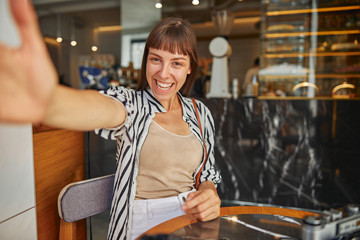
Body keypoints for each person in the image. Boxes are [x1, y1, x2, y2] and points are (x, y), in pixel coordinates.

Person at [0, 1, 221, 240]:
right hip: (139, 225)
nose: (164, 73)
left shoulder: (200, 113)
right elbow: (99, 108)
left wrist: (209, 192)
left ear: (190, 68)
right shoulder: (132, 104)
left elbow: (207, 173)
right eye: (156, 59)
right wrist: (49, 101)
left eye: (176, 63)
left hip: (191, 223)